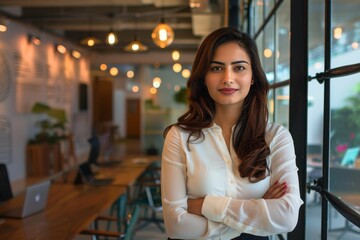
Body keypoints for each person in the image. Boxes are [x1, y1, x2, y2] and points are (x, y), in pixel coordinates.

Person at [161, 27, 303, 240]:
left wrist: (205, 205)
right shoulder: (179, 136)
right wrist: (258, 211)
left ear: (253, 77)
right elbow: (176, 226)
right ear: (204, 77)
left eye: (239, 68)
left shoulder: (277, 137)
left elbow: (287, 218)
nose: (228, 78)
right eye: (216, 69)